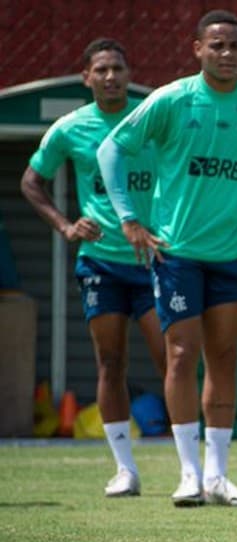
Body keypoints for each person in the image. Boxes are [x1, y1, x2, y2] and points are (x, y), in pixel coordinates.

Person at [97, 10, 237, 507]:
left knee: (223, 358)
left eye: (235, 45)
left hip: (234, 253)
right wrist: (128, 217)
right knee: (182, 355)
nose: (227, 54)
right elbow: (111, 150)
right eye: (217, 45)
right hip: (177, 253)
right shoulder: (173, 99)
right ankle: (187, 473)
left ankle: (218, 476)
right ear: (198, 49)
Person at [21, 38, 165, 498]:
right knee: (110, 361)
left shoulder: (152, 114)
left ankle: (194, 466)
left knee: (175, 358)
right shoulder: (71, 128)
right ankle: (125, 469)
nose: (110, 77)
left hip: (155, 258)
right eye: (100, 70)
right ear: (86, 77)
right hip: (101, 261)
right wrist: (65, 225)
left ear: (128, 73)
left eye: (117, 69)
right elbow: (31, 181)